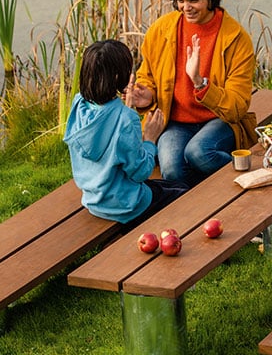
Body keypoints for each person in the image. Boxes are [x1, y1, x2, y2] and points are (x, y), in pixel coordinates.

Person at [125, 0, 257, 186]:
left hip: (220, 119)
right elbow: (147, 75)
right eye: (180, 0)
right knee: (171, 168)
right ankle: (202, 206)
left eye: (194, 0)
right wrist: (147, 96)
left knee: (199, 153)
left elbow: (237, 107)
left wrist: (200, 83)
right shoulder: (161, 30)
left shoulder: (236, 38)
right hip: (175, 121)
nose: (186, 7)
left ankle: (249, 180)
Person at [64, 39, 188, 228]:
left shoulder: (78, 103)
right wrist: (149, 139)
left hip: (93, 199)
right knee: (185, 192)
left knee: (167, 186)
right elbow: (141, 173)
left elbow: (105, 130)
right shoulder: (125, 118)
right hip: (127, 205)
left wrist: (125, 109)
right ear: (116, 77)